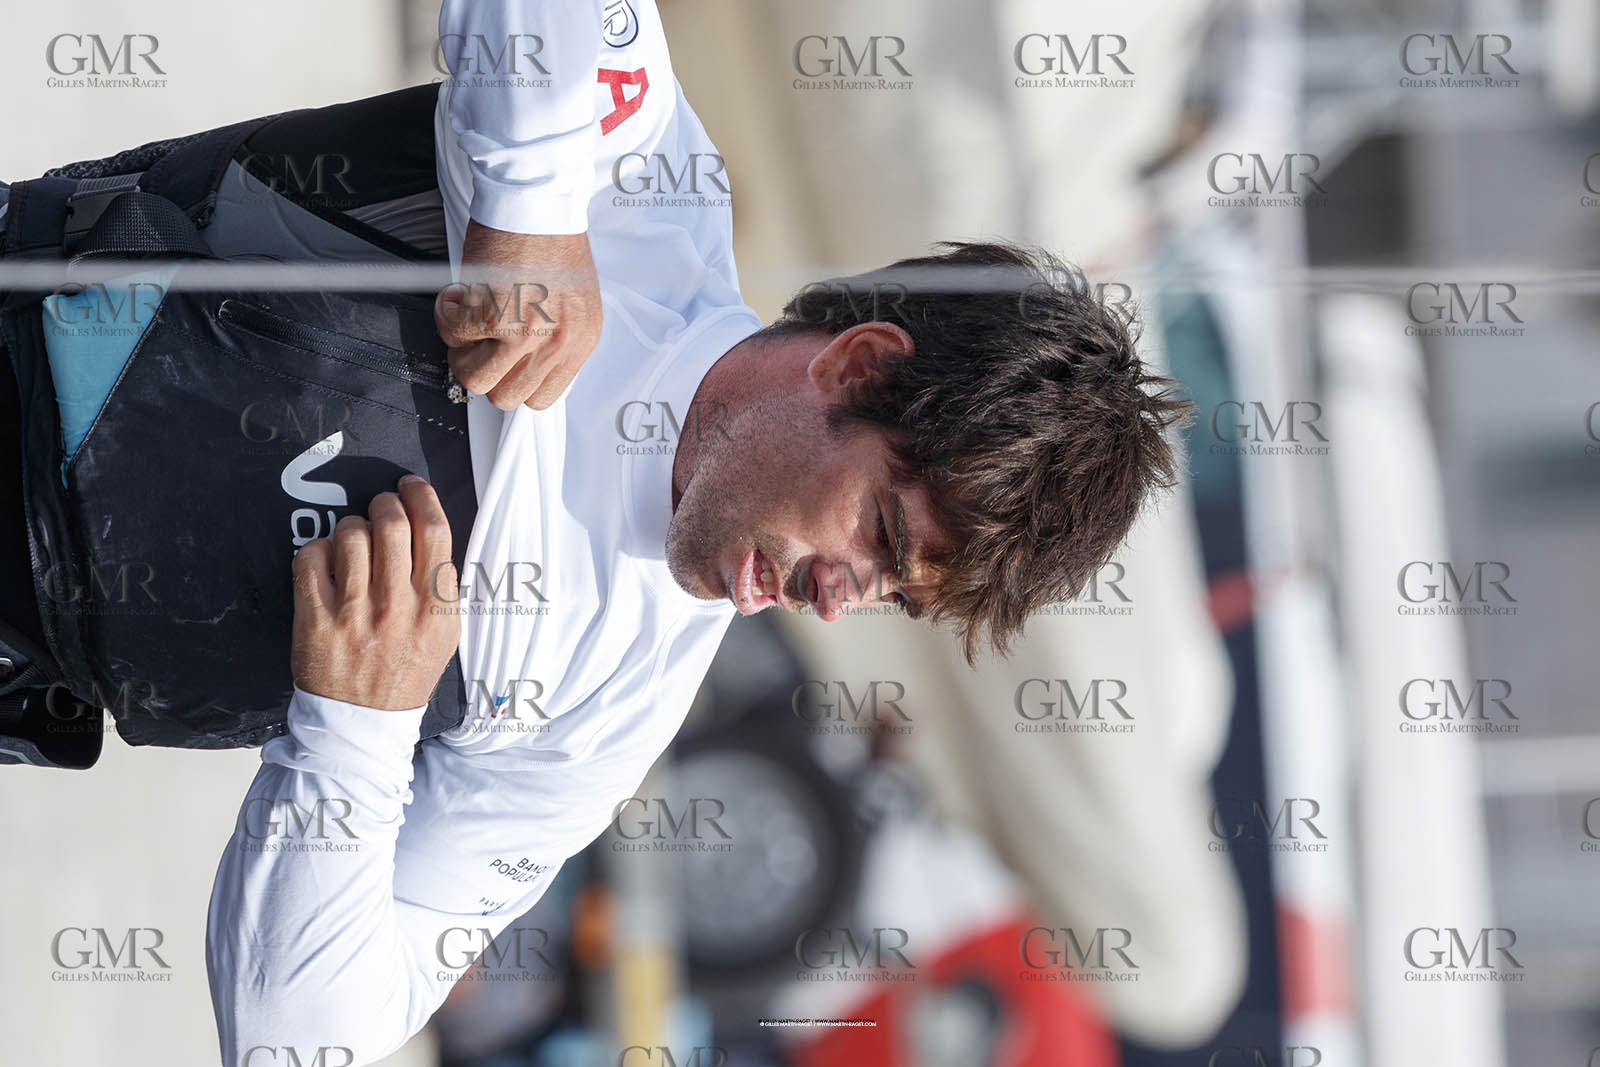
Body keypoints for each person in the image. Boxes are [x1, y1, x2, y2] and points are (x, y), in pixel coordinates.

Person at [0, 3, 1188, 1063]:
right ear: (857, 363)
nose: (839, 596)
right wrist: (527, 217)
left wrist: (353, 733)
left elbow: (296, 1033)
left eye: (891, 594)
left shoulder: (615, 699)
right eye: (879, 529)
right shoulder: (648, 211)